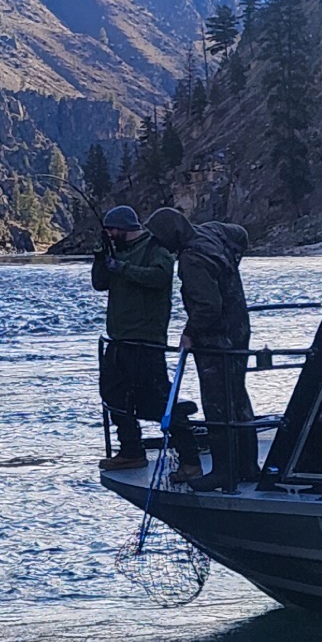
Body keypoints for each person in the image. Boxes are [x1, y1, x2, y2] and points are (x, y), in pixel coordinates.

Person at [144, 207, 256, 491]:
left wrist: (189, 332)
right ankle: (248, 465)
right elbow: (240, 234)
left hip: (217, 340)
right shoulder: (212, 231)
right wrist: (233, 263)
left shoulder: (191, 260)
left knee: (217, 402)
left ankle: (224, 471)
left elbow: (208, 307)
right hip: (239, 327)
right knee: (238, 398)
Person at [93, 205, 200, 471]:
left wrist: (122, 267)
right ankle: (131, 450)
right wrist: (102, 258)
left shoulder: (156, 249)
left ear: (124, 228)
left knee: (157, 398)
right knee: (113, 396)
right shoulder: (118, 251)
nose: (109, 233)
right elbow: (99, 284)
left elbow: (160, 278)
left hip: (145, 340)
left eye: (111, 229)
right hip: (119, 339)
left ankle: (189, 458)